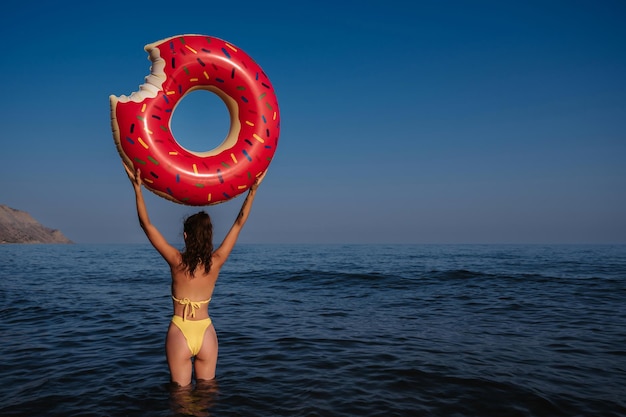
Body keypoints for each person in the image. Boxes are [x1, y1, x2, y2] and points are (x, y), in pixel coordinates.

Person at [125, 165, 265, 386]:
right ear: (210, 237)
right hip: (206, 331)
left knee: (180, 397)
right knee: (207, 394)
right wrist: (253, 191)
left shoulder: (176, 261)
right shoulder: (216, 262)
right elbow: (239, 223)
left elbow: (147, 225)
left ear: (185, 235)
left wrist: (137, 189)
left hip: (180, 330)